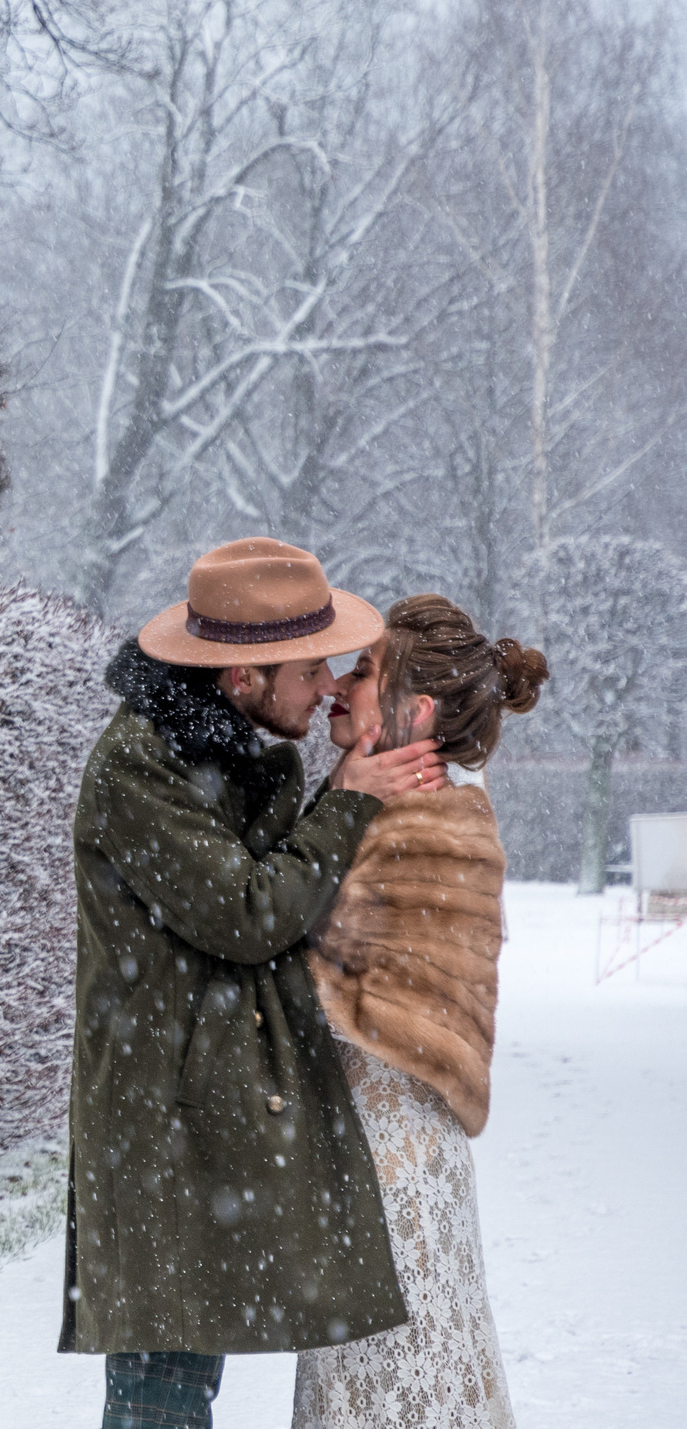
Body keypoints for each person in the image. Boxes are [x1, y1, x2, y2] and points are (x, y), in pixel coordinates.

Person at [62, 537, 445, 1429]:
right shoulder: (139, 769)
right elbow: (248, 909)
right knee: (160, 1390)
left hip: (200, 1107)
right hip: (159, 1122)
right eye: (311, 670)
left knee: (181, 1377)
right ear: (241, 678)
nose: (325, 690)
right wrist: (348, 798)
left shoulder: (227, 751)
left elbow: (272, 885)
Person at [292, 596, 548, 1428]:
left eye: (362, 673)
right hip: (377, 1165)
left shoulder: (420, 824)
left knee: (398, 1398)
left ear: (418, 709)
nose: (337, 687)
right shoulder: (398, 808)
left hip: (392, 1176)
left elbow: (316, 987)